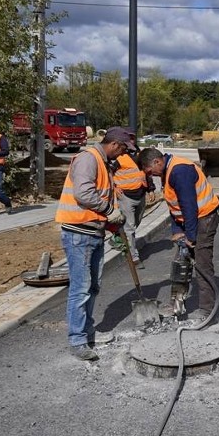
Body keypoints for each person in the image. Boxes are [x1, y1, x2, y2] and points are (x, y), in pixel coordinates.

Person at [55, 127, 131, 361]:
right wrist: (110, 211)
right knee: (81, 288)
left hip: (93, 232)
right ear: (115, 145)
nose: (123, 155)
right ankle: (77, 340)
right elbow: (84, 195)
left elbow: (100, 200)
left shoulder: (103, 162)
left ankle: (88, 332)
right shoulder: (89, 159)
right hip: (79, 233)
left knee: (93, 286)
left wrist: (112, 226)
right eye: (124, 150)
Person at [139, 147, 219, 322]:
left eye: (150, 171)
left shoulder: (180, 171)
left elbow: (189, 207)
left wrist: (190, 237)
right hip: (190, 221)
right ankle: (176, 305)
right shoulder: (166, 171)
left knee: (202, 265)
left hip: (203, 219)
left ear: (157, 162)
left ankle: (208, 310)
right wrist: (177, 231)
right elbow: (174, 203)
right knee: (180, 264)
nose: (151, 175)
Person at [111, 128, 154, 268]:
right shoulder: (118, 157)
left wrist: (150, 189)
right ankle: (134, 258)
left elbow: (146, 172)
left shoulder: (140, 155)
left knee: (135, 223)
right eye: (129, 138)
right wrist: (114, 187)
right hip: (125, 196)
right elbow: (107, 172)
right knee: (130, 227)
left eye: (133, 138)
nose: (131, 140)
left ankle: (118, 236)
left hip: (140, 195)